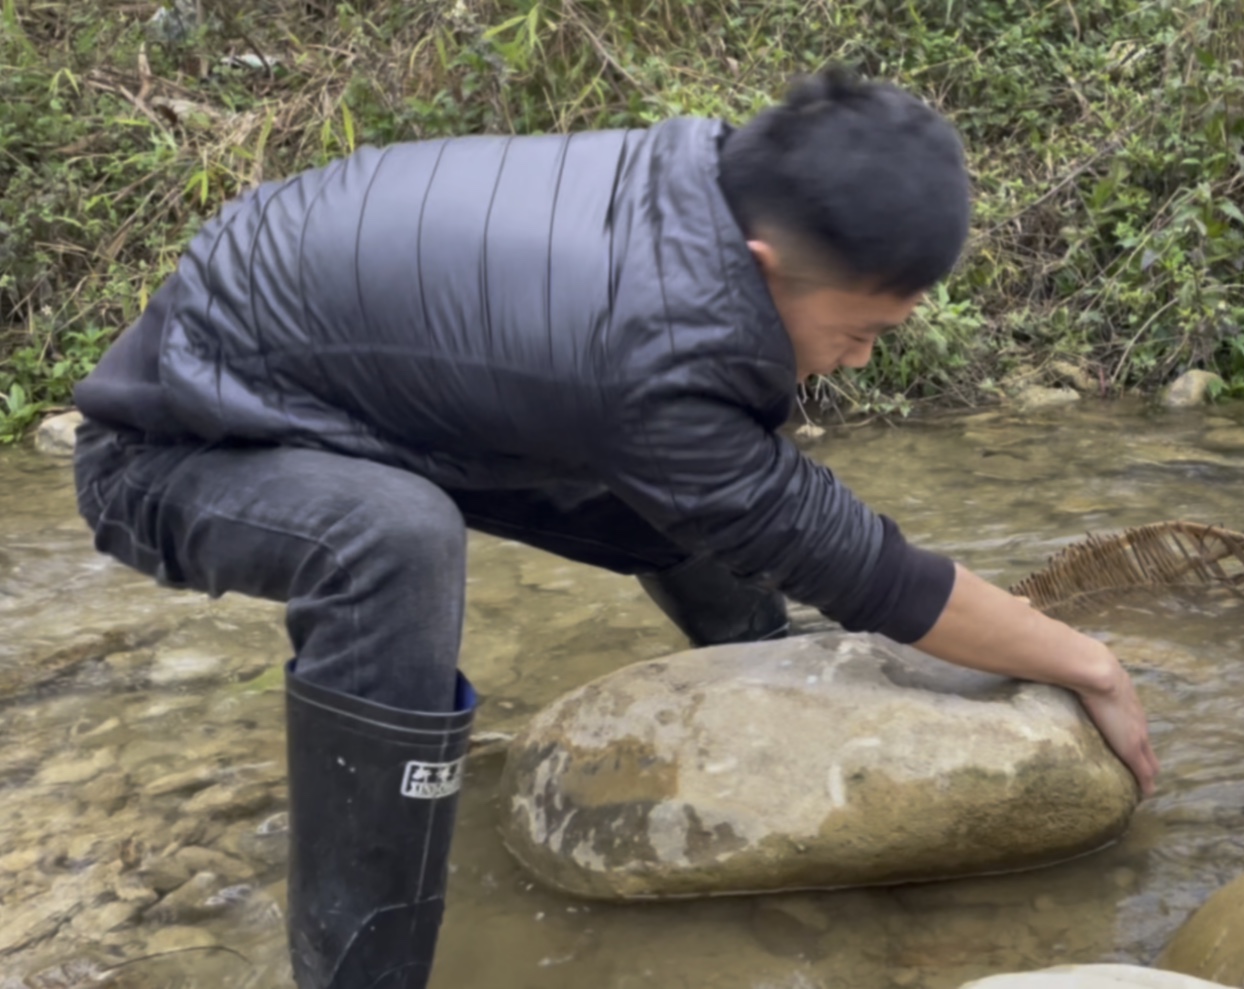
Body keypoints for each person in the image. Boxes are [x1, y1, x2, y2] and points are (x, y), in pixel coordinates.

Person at [69, 65, 1158, 989]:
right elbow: (861, 566)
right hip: (172, 448)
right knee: (392, 541)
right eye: (863, 330)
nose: (863, 357)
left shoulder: (695, 187)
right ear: (771, 263)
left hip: (341, 387)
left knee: (705, 481)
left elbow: (744, 490)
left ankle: (759, 675)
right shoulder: (650, 342)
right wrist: (1086, 661)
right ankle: (360, 966)